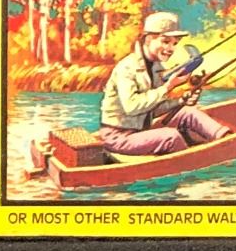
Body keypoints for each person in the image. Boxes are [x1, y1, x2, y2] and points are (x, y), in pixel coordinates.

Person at [97, 11, 226, 157]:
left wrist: (181, 101)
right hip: (118, 138)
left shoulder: (156, 67)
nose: (171, 49)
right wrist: (167, 87)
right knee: (171, 137)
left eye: (175, 43)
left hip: (141, 130)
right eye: (165, 42)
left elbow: (154, 109)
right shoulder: (127, 68)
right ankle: (195, 162)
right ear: (148, 39)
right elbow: (132, 107)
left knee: (189, 112)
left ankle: (226, 139)